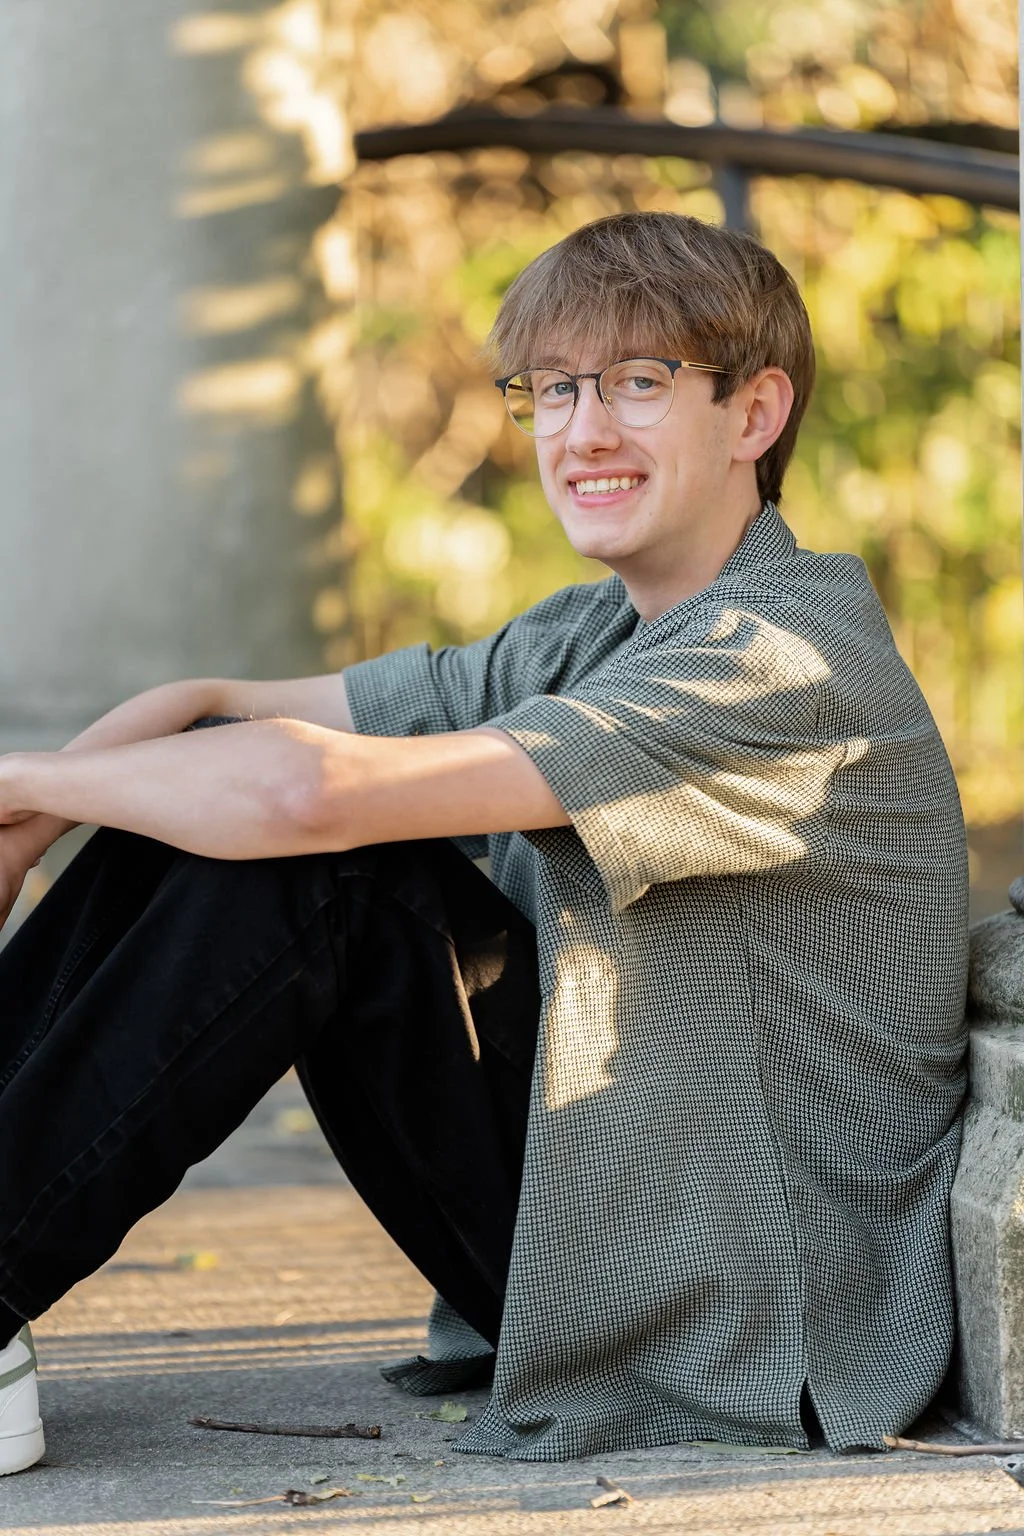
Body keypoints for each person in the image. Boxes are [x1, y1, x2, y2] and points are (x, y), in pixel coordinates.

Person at [0, 211, 968, 1473]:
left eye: (637, 383)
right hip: (618, 1215)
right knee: (184, 802)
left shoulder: (779, 661)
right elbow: (216, 708)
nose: (582, 431)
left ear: (754, 413)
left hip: (746, 1306)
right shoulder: (585, 636)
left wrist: (23, 777)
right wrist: (43, 818)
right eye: (553, 390)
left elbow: (309, 802)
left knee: (322, 867)